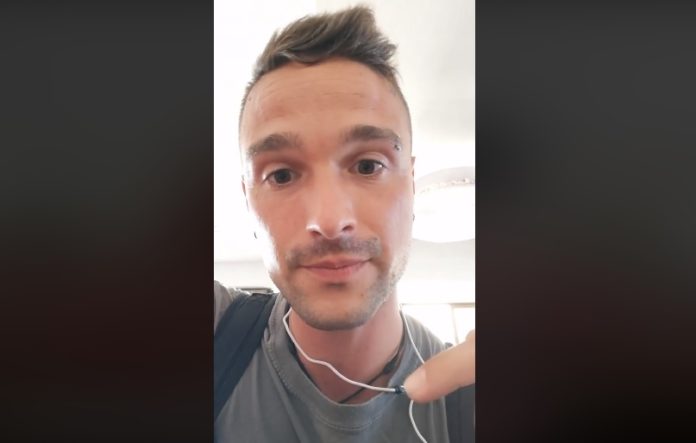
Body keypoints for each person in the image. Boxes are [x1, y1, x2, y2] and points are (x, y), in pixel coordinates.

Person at [214, 6, 474, 442]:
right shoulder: (217, 332)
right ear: (248, 202)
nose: (330, 222)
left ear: (412, 185)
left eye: (368, 165)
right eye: (282, 174)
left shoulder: (470, 400)